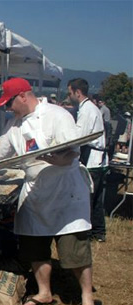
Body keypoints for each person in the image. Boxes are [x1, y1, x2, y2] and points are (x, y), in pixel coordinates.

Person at [0, 77, 100, 305]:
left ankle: (87, 300)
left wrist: (55, 159)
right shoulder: (15, 126)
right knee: (34, 244)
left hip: (64, 189)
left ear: (23, 96)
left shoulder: (57, 115)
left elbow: (72, 152)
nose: (7, 108)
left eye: (9, 103)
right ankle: (44, 292)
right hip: (35, 191)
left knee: (74, 248)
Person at [68, 78, 108, 242]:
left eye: (70, 92)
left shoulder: (87, 110)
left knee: (88, 197)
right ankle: (98, 232)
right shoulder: (90, 108)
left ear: (77, 92)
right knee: (97, 198)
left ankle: (88, 232)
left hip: (93, 160)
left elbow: (79, 137)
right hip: (97, 159)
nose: (68, 96)